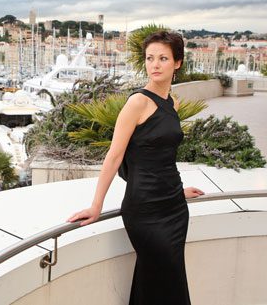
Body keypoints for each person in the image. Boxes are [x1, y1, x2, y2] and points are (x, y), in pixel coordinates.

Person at [68, 30, 204, 305]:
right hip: (144, 210)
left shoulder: (172, 103)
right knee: (167, 282)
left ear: (177, 63)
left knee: (158, 282)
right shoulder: (137, 102)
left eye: (163, 58)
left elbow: (164, 156)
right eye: (150, 58)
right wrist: (96, 205)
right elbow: (115, 156)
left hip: (174, 208)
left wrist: (179, 191)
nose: (154, 64)